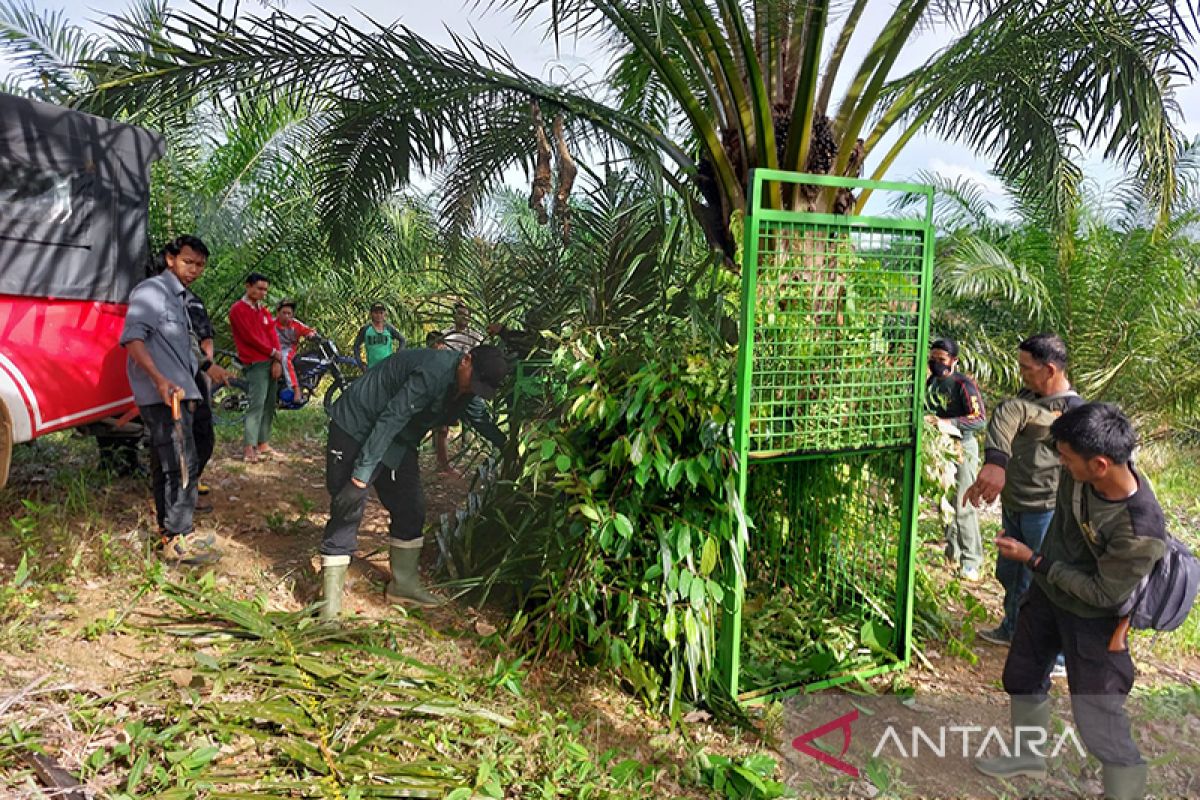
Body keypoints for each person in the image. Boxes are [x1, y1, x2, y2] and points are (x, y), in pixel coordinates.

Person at [975, 403, 1166, 800]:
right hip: (1048, 597)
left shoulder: (1139, 528)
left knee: (1098, 716)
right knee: (1022, 677)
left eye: (1065, 458)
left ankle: (1125, 792)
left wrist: (1035, 561)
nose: (1058, 463)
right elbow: (1029, 418)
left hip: (1096, 620)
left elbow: (1104, 593)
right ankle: (1027, 755)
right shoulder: (1078, 468)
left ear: (1099, 464)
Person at [316, 344, 511, 618]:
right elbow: (392, 417)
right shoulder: (433, 371)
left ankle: (403, 585)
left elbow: (478, 417)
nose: (472, 390)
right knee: (349, 503)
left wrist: (510, 447)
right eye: (474, 382)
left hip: (398, 438)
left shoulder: (466, 387)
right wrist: (361, 476)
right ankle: (328, 603)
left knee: (411, 508)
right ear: (466, 360)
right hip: (357, 425)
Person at [965, 333, 1083, 647]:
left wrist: (996, 463)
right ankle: (1013, 628)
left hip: (1045, 508)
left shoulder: (1073, 413)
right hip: (1015, 503)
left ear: (1049, 370)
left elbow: (1013, 413)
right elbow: (1009, 418)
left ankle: (1054, 653)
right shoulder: (1028, 396)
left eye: (1027, 367)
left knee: (1045, 580)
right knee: (1011, 573)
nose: (1022, 373)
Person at [119, 234, 225, 563]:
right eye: (188, 262)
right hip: (164, 397)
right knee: (181, 465)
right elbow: (133, 340)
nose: (194, 270)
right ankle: (177, 537)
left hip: (183, 394)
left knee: (173, 463)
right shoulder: (151, 292)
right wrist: (159, 380)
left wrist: (206, 369)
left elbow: (186, 349)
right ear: (170, 259)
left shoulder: (180, 299)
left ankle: (173, 534)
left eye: (200, 265)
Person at [924, 337, 987, 580]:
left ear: (954, 361)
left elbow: (979, 419)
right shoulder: (931, 383)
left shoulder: (963, 385)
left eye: (942, 359)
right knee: (945, 503)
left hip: (962, 447)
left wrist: (946, 423)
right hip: (940, 448)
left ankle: (972, 561)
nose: (936, 363)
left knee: (963, 503)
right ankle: (953, 555)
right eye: (933, 358)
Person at [229, 272, 283, 462]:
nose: (262, 293)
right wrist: (272, 353)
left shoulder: (263, 310)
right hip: (255, 362)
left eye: (265, 290)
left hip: (271, 360)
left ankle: (263, 443)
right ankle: (249, 447)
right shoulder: (238, 309)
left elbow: (273, 334)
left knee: (269, 403)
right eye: (259, 288)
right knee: (256, 403)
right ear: (248, 286)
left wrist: (277, 358)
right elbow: (249, 337)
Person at [435, 301, 486, 473]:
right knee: (442, 426)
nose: (463, 317)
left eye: (466, 314)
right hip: (449, 384)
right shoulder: (446, 334)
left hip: (470, 385)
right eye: (460, 314)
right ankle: (443, 463)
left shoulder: (476, 336)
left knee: (479, 419)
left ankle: (470, 448)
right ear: (454, 315)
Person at [275, 299, 316, 403]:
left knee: (285, 358)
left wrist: (310, 335)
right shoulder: (271, 324)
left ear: (293, 315)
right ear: (278, 313)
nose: (286, 316)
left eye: (289, 313)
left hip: (288, 349)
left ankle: (295, 388)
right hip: (273, 350)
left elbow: (308, 331)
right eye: (284, 313)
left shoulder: (296, 325)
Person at [353, 303, 405, 368]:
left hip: (388, 367)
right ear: (371, 314)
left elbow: (402, 340)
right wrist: (360, 363)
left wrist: (397, 355)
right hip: (372, 368)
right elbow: (356, 346)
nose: (379, 315)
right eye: (376, 313)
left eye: (381, 313)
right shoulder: (366, 329)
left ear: (384, 314)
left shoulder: (389, 328)